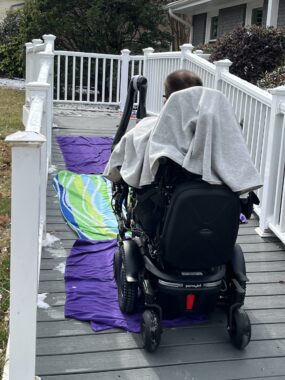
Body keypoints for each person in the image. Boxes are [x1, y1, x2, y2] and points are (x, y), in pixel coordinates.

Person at [103, 69, 203, 185]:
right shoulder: (211, 131)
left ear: (169, 100)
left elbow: (119, 157)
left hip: (162, 190)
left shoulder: (148, 127)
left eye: (165, 97)